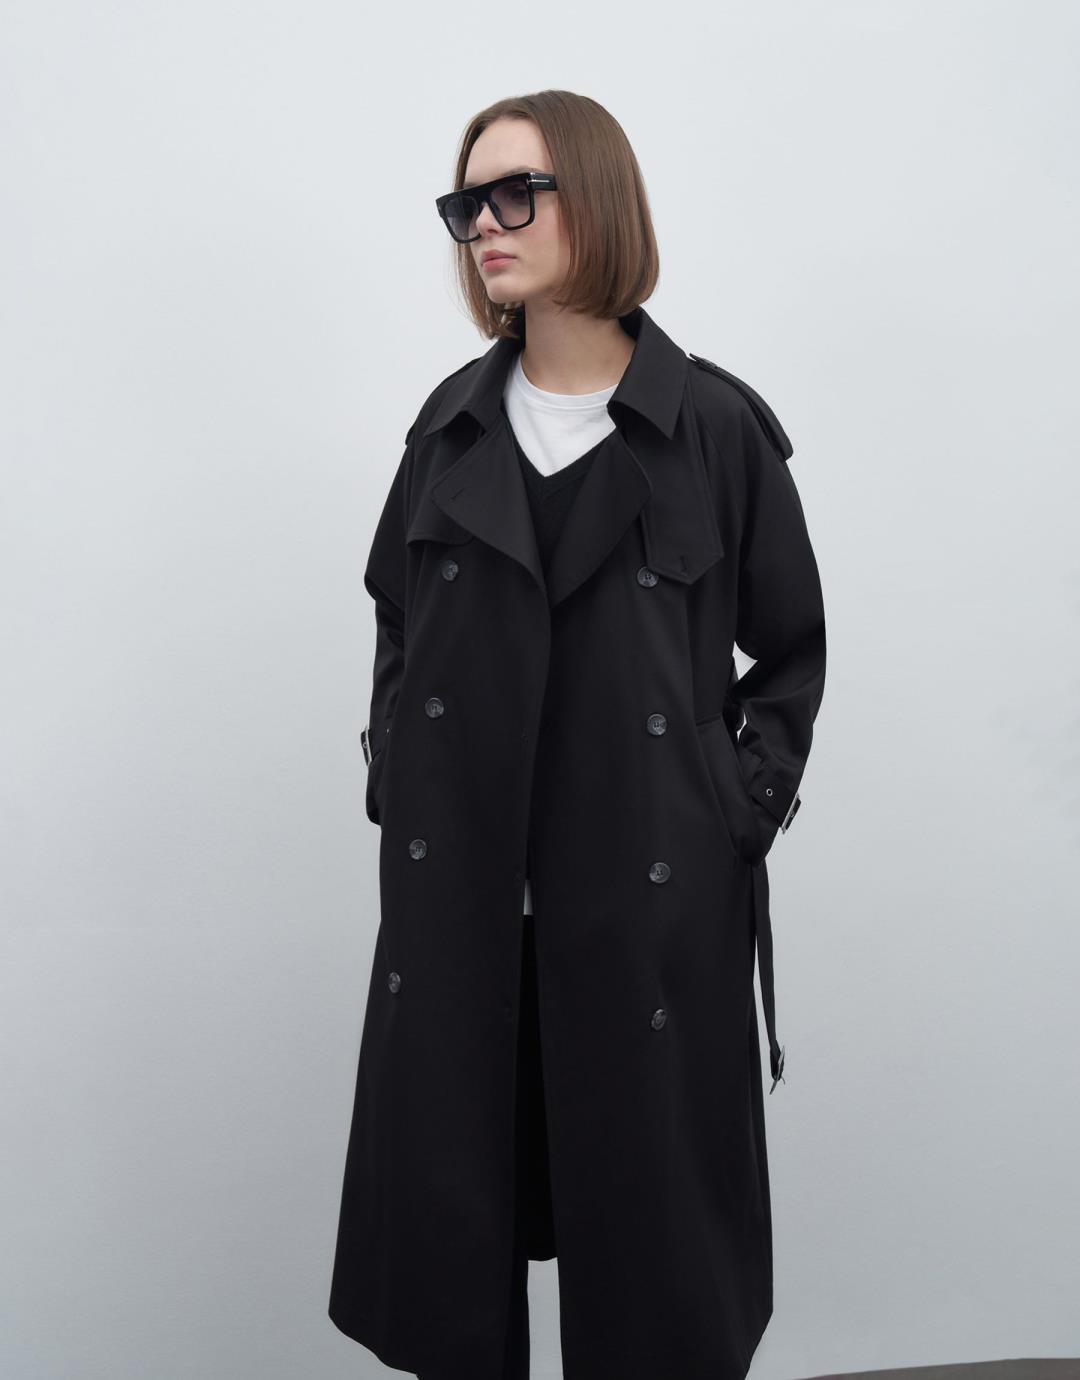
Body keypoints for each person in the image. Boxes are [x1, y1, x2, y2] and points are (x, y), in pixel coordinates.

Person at [329, 88, 827, 1380]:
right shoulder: (450, 426)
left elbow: (791, 649)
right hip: (468, 908)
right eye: (468, 203)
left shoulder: (712, 428)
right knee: (457, 1249)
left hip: (649, 909)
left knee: (656, 1278)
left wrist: (730, 810)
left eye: (517, 194)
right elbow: (395, 616)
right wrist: (401, 776)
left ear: (595, 200)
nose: (485, 226)